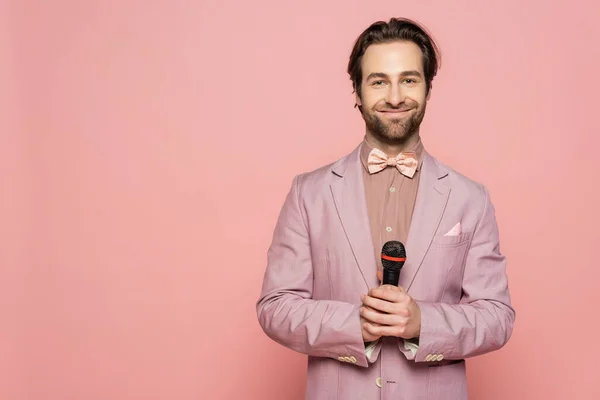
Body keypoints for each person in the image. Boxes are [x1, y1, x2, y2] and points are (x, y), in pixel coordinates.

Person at [256, 17, 515, 400]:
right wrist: (353, 324)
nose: (395, 97)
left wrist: (422, 322)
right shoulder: (308, 193)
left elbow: (497, 317)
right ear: (358, 92)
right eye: (379, 81)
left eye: (409, 79)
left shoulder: (470, 198)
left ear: (428, 88)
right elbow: (275, 306)